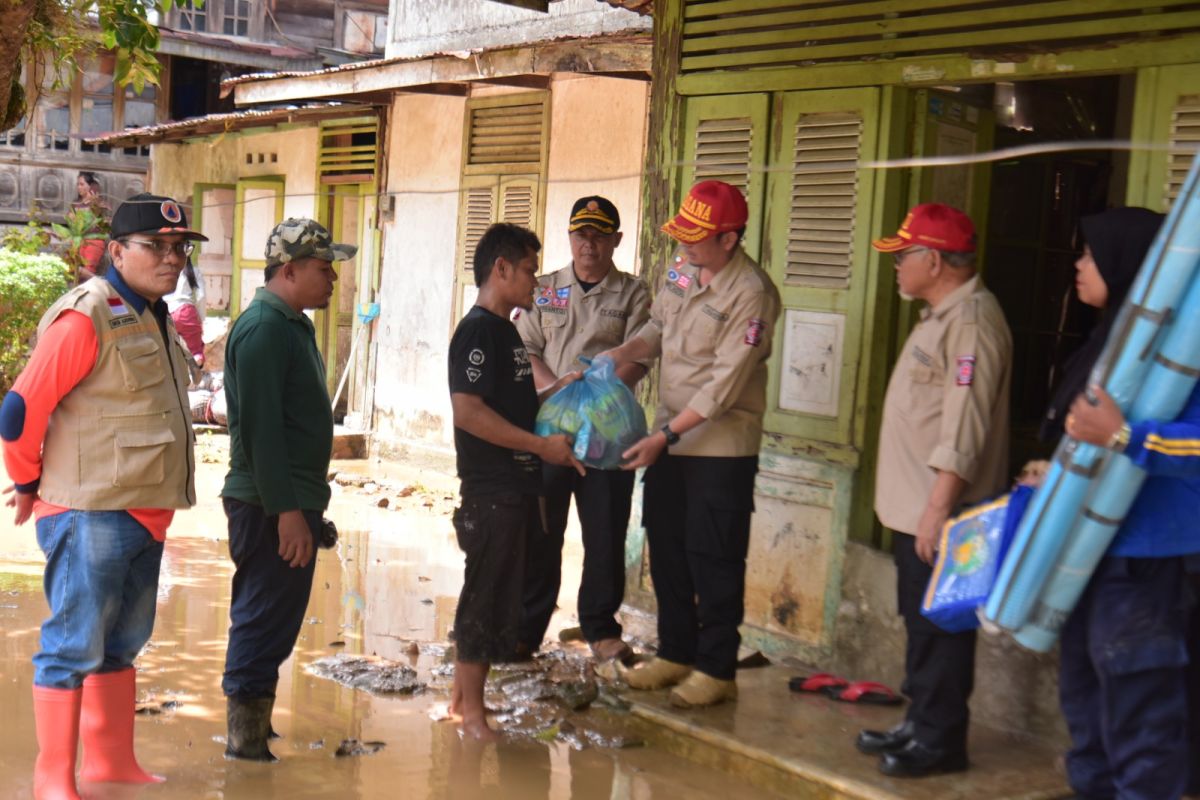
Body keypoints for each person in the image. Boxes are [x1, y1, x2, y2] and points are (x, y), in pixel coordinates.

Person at [1, 193, 202, 798]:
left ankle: (111, 763)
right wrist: (28, 482)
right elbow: (18, 411)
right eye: (155, 247)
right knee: (72, 645)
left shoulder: (155, 313)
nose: (171, 259)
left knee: (122, 644)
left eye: (179, 248)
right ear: (117, 251)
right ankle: (53, 777)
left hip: (145, 512)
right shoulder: (86, 313)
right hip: (88, 511)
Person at [603, 179, 781, 709]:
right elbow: (657, 326)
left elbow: (722, 389)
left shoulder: (752, 294)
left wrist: (664, 436)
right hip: (670, 441)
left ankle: (716, 667)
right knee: (669, 550)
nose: (684, 246)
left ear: (729, 240)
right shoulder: (684, 269)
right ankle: (676, 653)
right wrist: (619, 356)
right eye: (682, 234)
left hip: (718, 450)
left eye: (697, 237)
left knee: (715, 558)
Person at [1046, 206, 1200, 800]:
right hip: (1082, 548)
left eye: (1090, 253)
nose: (1079, 264)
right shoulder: (1111, 345)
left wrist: (1125, 437)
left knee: (1142, 719)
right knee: (1084, 706)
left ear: (1127, 261)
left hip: (1144, 558)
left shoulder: (1181, 352)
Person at [854, 203, 1012, 778]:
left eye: (903, 256)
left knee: (943, 627)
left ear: (935, 260)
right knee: (921, 623)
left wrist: (938, 511)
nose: (896, 266)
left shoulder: (972, 322)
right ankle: (920, 721)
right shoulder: (941, 314)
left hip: (942, 510)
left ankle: (941, 740)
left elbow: (964, 428)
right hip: (918, 508)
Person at [219, 218, 353, 761]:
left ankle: (255, 722)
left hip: (286, 498)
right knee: (262, 612)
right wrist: (287, 512)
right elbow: (260, 431)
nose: (333, 281)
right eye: (325, 269)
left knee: (276, 615)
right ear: (290, 270)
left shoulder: (290, 322)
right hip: (268, 501)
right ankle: (244, 742)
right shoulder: (264, 329)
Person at [447, 222, 584, 741]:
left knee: (496, 596)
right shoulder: (479, 331)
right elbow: (469, 412)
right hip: (492, 492)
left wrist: (558, 391)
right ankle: (473, 717)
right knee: (485, 599)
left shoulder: (507, 330)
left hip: (515, 489)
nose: (536, 281)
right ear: (500, 269)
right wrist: (541, 447)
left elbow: (512, 410)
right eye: (528, 270)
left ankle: (462, 703)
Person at [512, 196, 650, 663]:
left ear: (615, 240)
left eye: (598, 234)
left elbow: (637, 359)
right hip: (552, 430)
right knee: (541, 531)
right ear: (569, 237)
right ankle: (527, 628)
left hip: (609, 435)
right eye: (580, 233)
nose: (588, 244)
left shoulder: (634, 294)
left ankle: (601, 628)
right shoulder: (546, 288)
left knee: (605, 533)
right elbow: (528, 350)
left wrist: (596, 405)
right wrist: (560, 392)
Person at [164, 257, 207, 368]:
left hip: (166, 311)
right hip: (185, 312)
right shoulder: (193, 271)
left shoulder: (164, 270)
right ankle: (195, 380)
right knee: (196, 352)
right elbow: (201, 296)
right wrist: (201, 319)